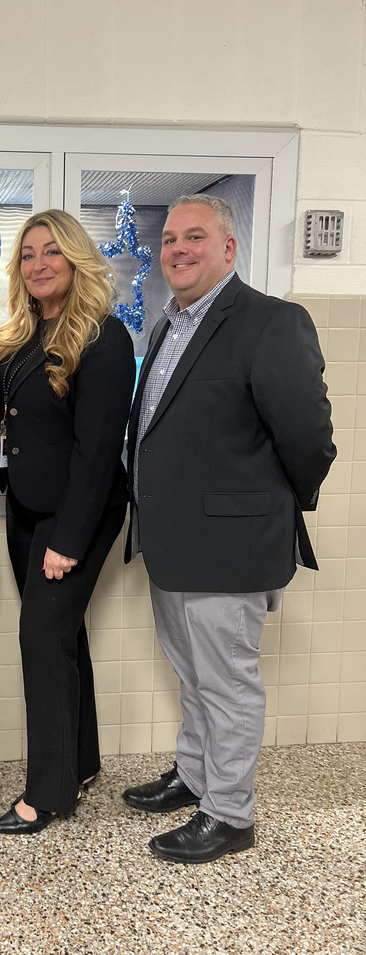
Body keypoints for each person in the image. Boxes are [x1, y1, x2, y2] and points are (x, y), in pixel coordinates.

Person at [123, 194, 336, 864]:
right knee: (194, 674)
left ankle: (230, 812)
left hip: (231, 547)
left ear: (228, 248)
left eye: (195, 237)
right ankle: (195, 776)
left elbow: (310, 439)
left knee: (227, 681)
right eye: (169, 240)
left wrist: (269, 506)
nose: (178, 249)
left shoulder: (271, 322)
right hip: (172, 542)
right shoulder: (167, 326)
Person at [0, 209, 136, 834]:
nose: (38, 263)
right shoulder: (23, 338)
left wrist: (69, 540)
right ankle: (80, 761)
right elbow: (7, 421)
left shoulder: (103, 336)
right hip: (28, 511)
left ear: (76, 259)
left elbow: (97, 450)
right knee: (63, 636)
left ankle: (48, 793)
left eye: (52, 251)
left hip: (76, 515)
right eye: (27, 254)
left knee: (41, 639)